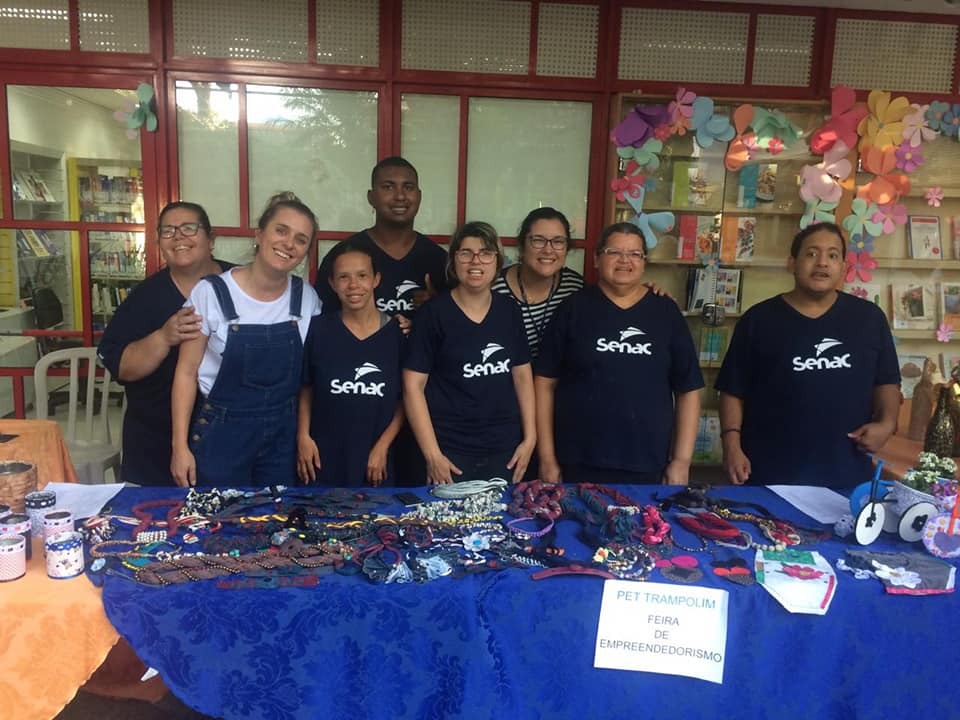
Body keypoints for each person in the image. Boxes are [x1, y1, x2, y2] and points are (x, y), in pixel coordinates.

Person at [716, 222, 900, 488]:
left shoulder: (869, 319)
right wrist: (731, 447)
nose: (822, 263)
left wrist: (886, 423)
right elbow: (732, 391)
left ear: (844, 268)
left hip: (847, 472)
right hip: (769, 471)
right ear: (792, 262)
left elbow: (887, 382)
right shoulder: (758, 320)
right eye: (812, 254)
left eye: (833, 255)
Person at [170, 193, 322, 487]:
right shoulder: (210, 293)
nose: (289, 244)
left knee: (276, 524)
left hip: (282, 440)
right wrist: (180, 447)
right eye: (281, 230)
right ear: (259, 234)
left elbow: (310, 376)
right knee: (219, 526)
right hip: (221, 437)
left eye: (301, 239)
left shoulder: (307, 298)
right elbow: (185, 373)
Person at [535, 222, 703, 485]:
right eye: (614, 252)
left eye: (635, 254)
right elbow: (544, 383)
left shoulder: (665, 312)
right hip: (577, 460)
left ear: (644, 262)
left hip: (646, 463)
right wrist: (547, 458)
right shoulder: (573, 309)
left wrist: (681, 461)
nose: (625, 261)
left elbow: (689, 389)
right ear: (596, 259)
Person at [97, 201, 233, 486]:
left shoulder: (242, 285)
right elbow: (122, 367)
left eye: (189, 228)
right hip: (156, 442)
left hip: (233, 434)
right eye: (168, 231)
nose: (179, 237)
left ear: (211, 239)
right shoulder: (144, 298)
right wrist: (163, 337)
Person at [404, 221, 536, 485]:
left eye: (486, 253)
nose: (476, 261)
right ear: (453, 261)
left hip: (505, 451)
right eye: (466, 253)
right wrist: (432, 455)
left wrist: (530, 438)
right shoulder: (433, 314)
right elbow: (412, 386)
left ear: (497, 261)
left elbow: (522, 376)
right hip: (449, 451)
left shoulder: (509, 312)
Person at [297, 240, 404, 487]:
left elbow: (405, 400)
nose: (353, 285)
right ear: (332, 284)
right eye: (343, 277)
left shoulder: (397, 334)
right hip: (322, 459)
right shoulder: (319, 330)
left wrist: (382, 448)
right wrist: (303, 436)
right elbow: (306, 388)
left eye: (362, 275)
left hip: (375, 463)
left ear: (376, 279)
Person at [314, 156, 447, 318]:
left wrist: (439, 306)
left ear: (419, 196)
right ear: (371, 197)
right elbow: (325, 325)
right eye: (388, 187)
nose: (400, 196)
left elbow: (457, 325)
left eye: (408, 187)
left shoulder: (439, 259)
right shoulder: (343, 256)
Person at [492, 207, 584, 358]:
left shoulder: (575, 287)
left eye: (558, 241)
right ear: (522, 246)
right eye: (538, 240)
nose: (548, 250)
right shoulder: (494, 289)